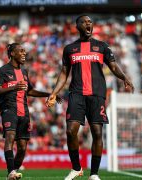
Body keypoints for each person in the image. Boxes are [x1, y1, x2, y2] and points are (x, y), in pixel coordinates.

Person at [46, 15, 134, 180]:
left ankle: (94, 174)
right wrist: (54, 92)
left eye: (90, 22)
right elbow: (64, 73)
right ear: (77, 26)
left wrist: (124, 77)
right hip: (76, 94)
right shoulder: (69, 48)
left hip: (97, 94)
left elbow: (113, 66)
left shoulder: (102, 46)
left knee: (97, 133)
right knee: (70, 131)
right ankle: (76, 168)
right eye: (84, 22)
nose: (88, 24)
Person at [0, 43, 62, 180]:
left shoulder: (24, 72)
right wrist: (13, 86)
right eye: (21, 51)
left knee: (23, 147)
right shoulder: (2, 71)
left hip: (23, 111)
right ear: (12, 53)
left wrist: (49, 93)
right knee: (10, 138)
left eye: (25, 51)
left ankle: (12, 174)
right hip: (9, 109)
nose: (24, 53)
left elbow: (29, 90)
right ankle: (11, 172)